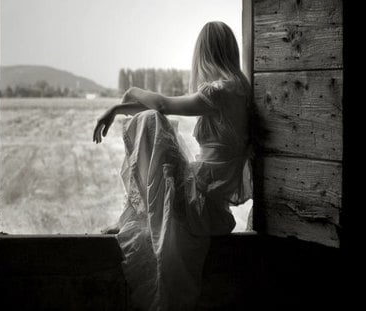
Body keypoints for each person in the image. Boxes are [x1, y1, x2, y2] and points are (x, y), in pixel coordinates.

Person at [92, 21, 253, 311]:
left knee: (152, 122)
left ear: (204, 52)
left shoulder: (219, 91)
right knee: (150, 119)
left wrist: (126, 97)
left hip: (202, 204)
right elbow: (159, 105)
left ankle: (133, 215)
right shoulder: (238, 89)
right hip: (210, 200)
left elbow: (162, 107)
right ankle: (133, 214)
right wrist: (119, 109)